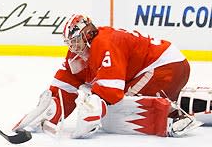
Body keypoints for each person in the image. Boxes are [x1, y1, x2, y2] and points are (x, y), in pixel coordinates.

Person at [13, 14, 202, 138]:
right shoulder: (78, 53)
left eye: (76, 40)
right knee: (112, 111)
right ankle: (194, 102)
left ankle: (173, 117)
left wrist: (93, 107)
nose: (72, 46)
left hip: (166, 67)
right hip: (154, 68)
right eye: (70, 42)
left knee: (119, 112)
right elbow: (67, 83)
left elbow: (110, 92)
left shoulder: (105, 43)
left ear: (88, 34)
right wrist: (50, 110)